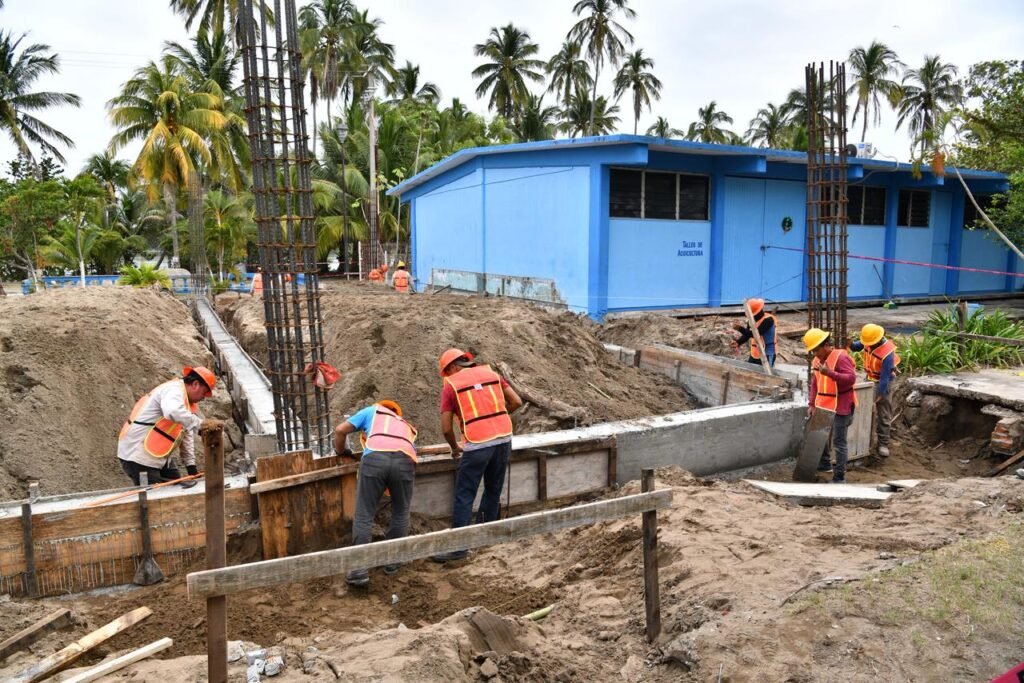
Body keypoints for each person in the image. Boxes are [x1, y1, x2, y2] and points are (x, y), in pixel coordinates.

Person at [432, 348, 523, 563]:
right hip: (503, 439)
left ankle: (458, 550)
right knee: (493, 490)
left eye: (446, 372)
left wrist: (455, 447)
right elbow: (516, 402)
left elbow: (446, 428)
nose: (446, 377)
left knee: (464, 495)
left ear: (452, 368)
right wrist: (494, 417)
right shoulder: (492, 374)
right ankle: (486, 539)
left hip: (477, 444)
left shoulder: (451, 385)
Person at [334, 400, 418, 587]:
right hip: (406, 461)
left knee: (364, 514)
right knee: (401, 512)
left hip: (375, 458)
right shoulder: (406, 426)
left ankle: (359, 570)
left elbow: (340, 430)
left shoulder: (373, 411)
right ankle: (393, 562)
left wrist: (340, 451)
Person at [118, 366, 217, 487]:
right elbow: (172, 412)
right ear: (195, 384)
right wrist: (200, 425)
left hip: (158, 454)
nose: (203, 398)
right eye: (204, 392)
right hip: (138, 454)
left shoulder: (185, 403)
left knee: (177, 488)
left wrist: (191, 466)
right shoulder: (173, 390)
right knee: (156, 496)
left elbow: (186, 432)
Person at [804, 328, 857, 484]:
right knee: (819, 435)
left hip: (842, 404)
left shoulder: (841, 358)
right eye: (813, 351)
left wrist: (830, 373)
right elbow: (815, 383)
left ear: (826, 345)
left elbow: (851, 379)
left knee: (839, 442)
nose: (815, 354)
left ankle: (839, 477)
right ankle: (825, 464)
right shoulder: (817, 361)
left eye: (817, 350)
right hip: (824, 403)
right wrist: (812, 403)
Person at [851, 323, 900, 458]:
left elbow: (885, 377)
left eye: (871, 343)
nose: (868, 345)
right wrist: (849, 343)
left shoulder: (887, 353)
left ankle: (883, 443)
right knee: (863, 409)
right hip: (869, 379)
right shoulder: (869, 340)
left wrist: (881, 393)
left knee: (883, 413)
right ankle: (864, 439)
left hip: (884, 382)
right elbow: (856, 347)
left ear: (879, 339)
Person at [731, 298, 777, 367]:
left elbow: (755, 334)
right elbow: (747, 334)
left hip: (767, 352)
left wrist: (740, 328)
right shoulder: (751, 320)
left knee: (765, 373)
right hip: (755, 351)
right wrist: (738, 342)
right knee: (750, 370)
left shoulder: (768, 320)